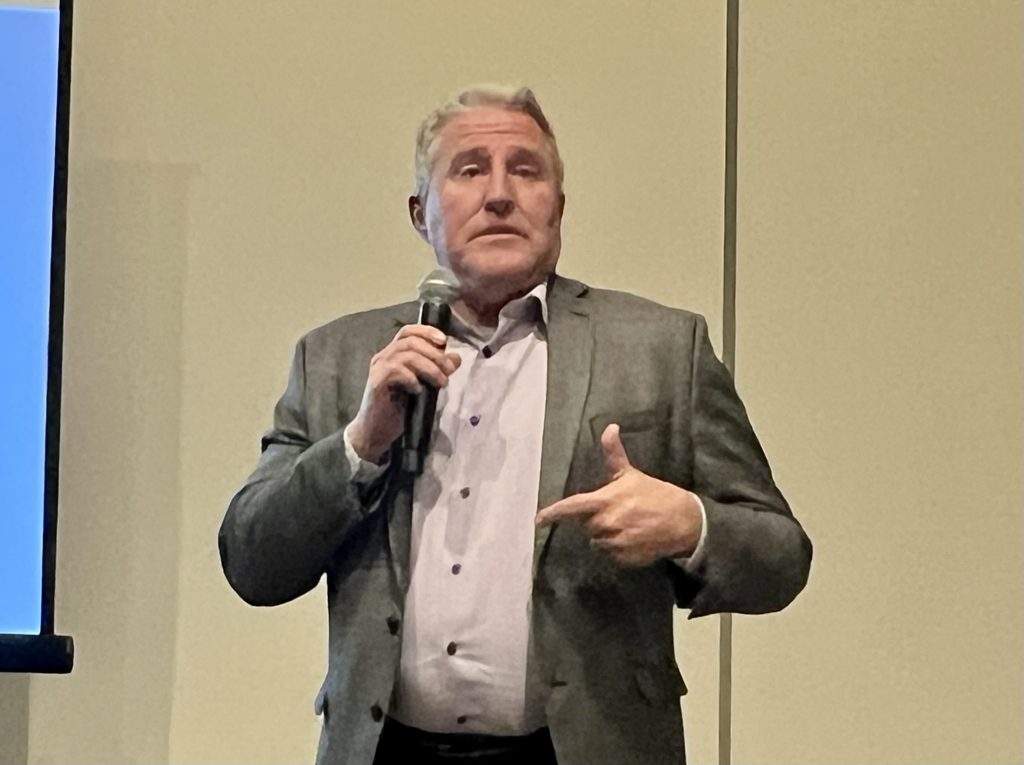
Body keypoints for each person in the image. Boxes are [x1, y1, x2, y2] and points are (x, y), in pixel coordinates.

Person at [219, 85, 812, 765]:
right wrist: (361, 445)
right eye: (469, 170)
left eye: (525, 171)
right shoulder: (336, 358)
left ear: (557, 207)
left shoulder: (663, 349)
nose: (499, 194)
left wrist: (690, 526)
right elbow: (252, 563)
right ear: (421, 213)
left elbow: (782, 558)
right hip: (386, 750)